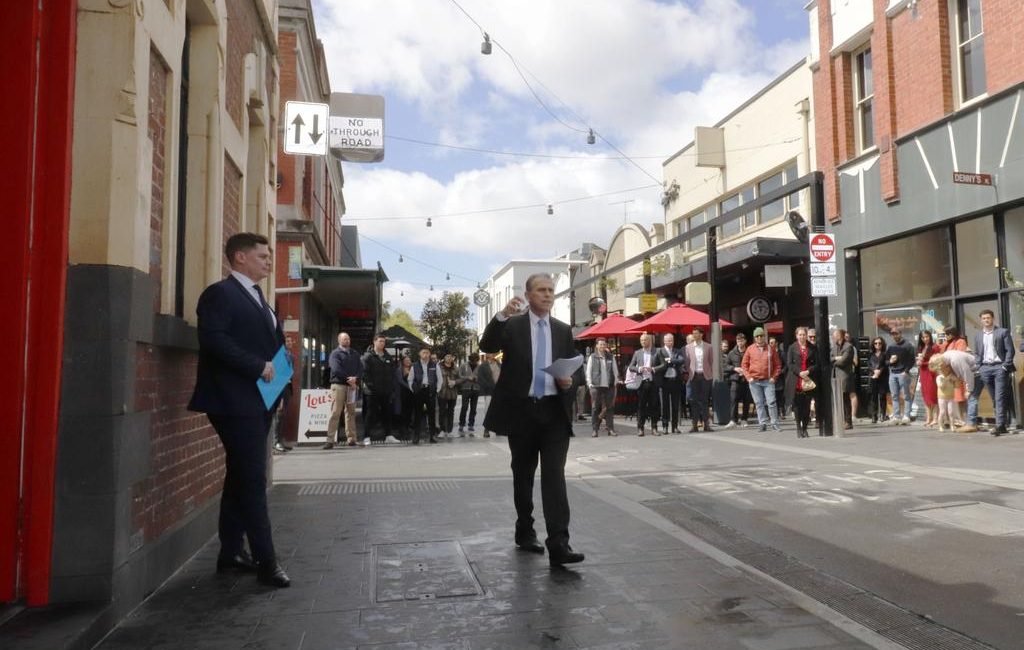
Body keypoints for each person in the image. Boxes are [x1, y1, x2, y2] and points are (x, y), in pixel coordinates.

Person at [188, 232, 289, 588]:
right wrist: (257, 366)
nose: (269, 261)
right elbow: (214, 340)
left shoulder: (259, 297)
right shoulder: (220, 294)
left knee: (240, 475)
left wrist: (281, 384)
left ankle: (230, 552)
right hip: (232, 400)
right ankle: (267, 562)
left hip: (260, 400)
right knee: (253, 479)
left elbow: (272, 345)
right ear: (240, 257)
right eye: (262, 256)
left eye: (269, 256)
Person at [479, 273, 585, 567]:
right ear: (527, 295)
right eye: (541, 290)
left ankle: (559, 543)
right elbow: (487, 345)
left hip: (553, 413)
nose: (548, 295)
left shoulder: (562, 330)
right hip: (522, 412)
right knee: (523, 474)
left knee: (554, 475)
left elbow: (575, 368)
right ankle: (525, 530)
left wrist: (570, 382)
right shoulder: (512, 325)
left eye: (551, 290)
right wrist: (501, 315)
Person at [966, 309, 1015, 435]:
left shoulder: (1002, 332)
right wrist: (979, 366)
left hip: (999, 367)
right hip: (985, 369)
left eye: (988, 318)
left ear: (993, 319)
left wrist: (1005, 366)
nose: (986, 320)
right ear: (981, 320)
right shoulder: (978, 335)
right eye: (984, 318)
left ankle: (1000, 425)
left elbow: (1010, 350)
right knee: (994, 397)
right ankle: (1002, 423)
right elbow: (977, 353)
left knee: (999, 397)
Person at [325, 332, 363, 449]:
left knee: (351, 413)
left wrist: (356, 378)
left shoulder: (355, 353)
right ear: (339, 340)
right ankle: (330, 440)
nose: (347, 341)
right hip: (339, 385)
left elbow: (360, 368)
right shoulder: (335, 354)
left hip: (352, 386)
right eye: (345, 339)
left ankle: (352, 439)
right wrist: (349, 379)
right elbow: (336, 369)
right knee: (336, 412)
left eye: (348, 339)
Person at [742, 327, 782, 432]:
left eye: (761, 336)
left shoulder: (770, 349)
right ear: (754, 338)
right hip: (754, 381)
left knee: (771, 402)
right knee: (759, 403)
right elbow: (744, 365)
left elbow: (778, 365)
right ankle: (762, 423)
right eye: (757, 336)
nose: (759, 338)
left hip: (768, 380)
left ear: (764, 337)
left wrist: (774, 377)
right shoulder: (750, 349)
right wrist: (748, 377)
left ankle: (774, 423)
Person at [361, 333, 396, 444]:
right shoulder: (367, 356)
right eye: (380, 341)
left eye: (383, 341)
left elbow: (392, 372)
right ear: (374, 342)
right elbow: (364, 374)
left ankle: (389, 436)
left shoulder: (388, 356)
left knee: (387, 413)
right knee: (370, 414)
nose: (382, 343)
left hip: (385, 391)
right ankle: (366, 437)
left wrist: (390, 387)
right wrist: (372, 386)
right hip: (372, 391)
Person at [628, 333, 664, 436]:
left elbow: (663, 365)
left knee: (654, 406)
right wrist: (639, 369)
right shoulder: (637, 353)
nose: (643, 342)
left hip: (653, 382)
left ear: (650, 341)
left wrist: (653, 369)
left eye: (645, 340)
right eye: (642, 340)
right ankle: (640, 428)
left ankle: (654, 428)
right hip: (642, 383)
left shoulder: (657, 351)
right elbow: (631, 367)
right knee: (641, 406)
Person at [785, 327, 818, 438]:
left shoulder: (812, 348)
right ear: (796, 336)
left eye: (804, 334)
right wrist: (799, 372)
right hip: (796, 380)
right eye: (800, 334)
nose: (802, 337)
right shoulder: (792, 347)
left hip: (808, 379)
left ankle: (805, 428)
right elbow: (790, 364)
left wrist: (808, 371)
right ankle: (799, 428)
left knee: (806, 407)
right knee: (797, 407)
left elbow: (816, 364)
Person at [586, 337, 619, 436]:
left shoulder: (611, 357)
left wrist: (615, 382)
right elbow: (588, 371)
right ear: (597, 346)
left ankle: (610, 429)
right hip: (596, 386)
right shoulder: (592, 357)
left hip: (609, 386)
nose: (602, 346)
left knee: (610, 408)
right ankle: (595, 430)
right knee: (595, 408)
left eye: (604, 344)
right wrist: (590, 384)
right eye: (600, 344)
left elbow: (615, 370)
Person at [684, 327, 714, 432]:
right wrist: (690, 372)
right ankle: (695, 425)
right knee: (694, 401)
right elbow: (687, 362)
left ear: (701, 334)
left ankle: (706, 424)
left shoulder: (708, 347)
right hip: (694, 376)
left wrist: (710, 374)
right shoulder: (688, 347)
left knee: (705, 401)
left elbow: (711, 361)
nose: (694, 335)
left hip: (705, 376)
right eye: (693, 333)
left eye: (696, 333)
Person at [655, 333, 685, 433]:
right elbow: (657, 364)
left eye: (671, 340)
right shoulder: (660, 351)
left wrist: (671, 360)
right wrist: (667, 362)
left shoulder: (677, 350)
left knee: (675, 405)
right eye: (668, 340)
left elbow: (681, 360)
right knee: (665, 405)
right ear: (664, 341)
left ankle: (675, 426)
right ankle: (665, 426)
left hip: (675, 381)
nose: (670, 342)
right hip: (664, 381)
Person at [885, 329, 916, 425]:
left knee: (906, 395)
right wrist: (890, 361)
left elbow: (912, 360)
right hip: (893, 373)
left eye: (896, 334)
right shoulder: (891, 346)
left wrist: (906, 371)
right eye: (893, 334)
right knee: (894, 396)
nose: (894, 336)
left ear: (900, 333)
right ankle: (896, 416)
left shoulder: (908, 345)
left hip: (903, 373)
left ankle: (906, 416)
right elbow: (886, 361)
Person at [940, 326, 969, 421]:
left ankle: (965, 420)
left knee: (960, 398)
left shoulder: (960, 341)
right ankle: (956, 420)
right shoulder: (947, 343)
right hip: (949, 373)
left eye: (948, 334)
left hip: (958, 373)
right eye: (945, 334)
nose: (946, 336)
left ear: (953, 333)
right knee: (952, 398)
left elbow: (959, 356)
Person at [724, 333, 752, 427]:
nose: (740, 342)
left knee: (746, 400)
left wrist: (746, 371)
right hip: (735, 379)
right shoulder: (731, 353)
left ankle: (744, 419)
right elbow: (725, 366)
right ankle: (733, 420)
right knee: (733, 400)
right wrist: (734, 368)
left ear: (745, 341)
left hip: (747, 379)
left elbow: (754, 364)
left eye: (741, 340)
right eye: (738, 340)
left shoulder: (749, 351)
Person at [831, 329, 856, 430]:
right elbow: (830, 358)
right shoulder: (835, 346)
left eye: (835, 335)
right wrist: (836, 358)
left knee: (845, 399)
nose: (833, 337)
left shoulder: (848, 346)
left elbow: (844, 361)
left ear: (840, 336)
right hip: (835, 376)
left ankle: (848, 421)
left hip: (844, 376)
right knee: (838, 399)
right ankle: (840, 420)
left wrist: (835, 360)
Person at [916, 330, 941, 427]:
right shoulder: (921, 348)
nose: (925, 339)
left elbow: (936, 361)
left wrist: (922, 363)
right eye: (923, 337)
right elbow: (919, 359)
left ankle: (935, 418)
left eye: (927, 336)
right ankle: (928, 418)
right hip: (923, 373)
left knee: (932, 395)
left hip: (931, 372)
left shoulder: (935, 347)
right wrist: (918, 361)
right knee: (925, 396)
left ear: (930, 336)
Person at [930, 354, 960, 432]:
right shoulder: (939, 377)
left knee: (951, 412)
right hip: (942, 397)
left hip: (951, 397)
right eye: (944, 369)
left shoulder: (952, 376)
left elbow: (957, 386)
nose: (946, 370)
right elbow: (941, 386)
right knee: (942, 412)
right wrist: (946, 379)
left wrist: (955, 380)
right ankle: (940, 426)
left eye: (947, 368)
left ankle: (952, 425)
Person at [866, 337, 889, 423]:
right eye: (875, 343)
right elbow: (868, 365)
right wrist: (874, 371)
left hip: (882, 377)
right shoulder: (870, 354)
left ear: (882, 344)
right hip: (873, 377)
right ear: (873, 344)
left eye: (879, 343)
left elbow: (886, 364)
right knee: (873, 397)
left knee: (882, 396)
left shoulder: (885, 354)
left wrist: (880, 371)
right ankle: (874, 415)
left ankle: (883, 415)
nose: (877, 345)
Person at [477, 353, 501, 438]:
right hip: (489, 391)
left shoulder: (499, 364)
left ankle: (498, 429)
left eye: (494, 353)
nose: (493, 354)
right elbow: (480, 378)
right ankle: (486, 429)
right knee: (488, 411)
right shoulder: (483, 366)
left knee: (499, 410)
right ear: (487, 355)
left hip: (499, 391)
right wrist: (488, 386)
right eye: (491, 353)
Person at [436, 354, 460, 438]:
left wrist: (455, 382)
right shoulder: (439, 367)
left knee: (451, 412)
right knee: (442, 412)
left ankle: (450, 431)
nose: (449, 358)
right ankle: (442, 430)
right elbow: (435, 378)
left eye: (450, 357)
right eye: (447, 356)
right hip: (442, 393)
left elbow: (461, 378)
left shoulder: (456, 368)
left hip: (453, 394)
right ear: (444, 358)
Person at [457, 354, 481, 435]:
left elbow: (482, 377)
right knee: (464, 407)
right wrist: (467, 377)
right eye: (473, 361)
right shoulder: (464, 365)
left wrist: (476, 378)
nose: (474, 362)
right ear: (470, 360)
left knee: (473, 408)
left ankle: (471, 424)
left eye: (476, 361)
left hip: (476, 389)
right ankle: (461, 424)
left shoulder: (479, 366)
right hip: (466, 388)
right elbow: (459, 375)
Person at [394, 355, 416, 441]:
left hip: (411, 394)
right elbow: (400, 381)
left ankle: (408, 430)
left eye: (409, 360)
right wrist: (409, 386)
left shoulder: (413, 369)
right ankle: (402, 432)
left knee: (409, 413)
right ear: (403, 362)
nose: (407, 361)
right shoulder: (399, 370)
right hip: (402, 394)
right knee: (402, 413)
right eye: (406, 360)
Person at [843, 331, 860, 422]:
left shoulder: (852, 348)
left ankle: (853, 415)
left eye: (847, 337)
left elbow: (856, 362)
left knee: (852, 393)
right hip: (840, 374)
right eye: (844, 337)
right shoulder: (839, 347)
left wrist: (847, 357)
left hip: (850, 373)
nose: (846, 339)